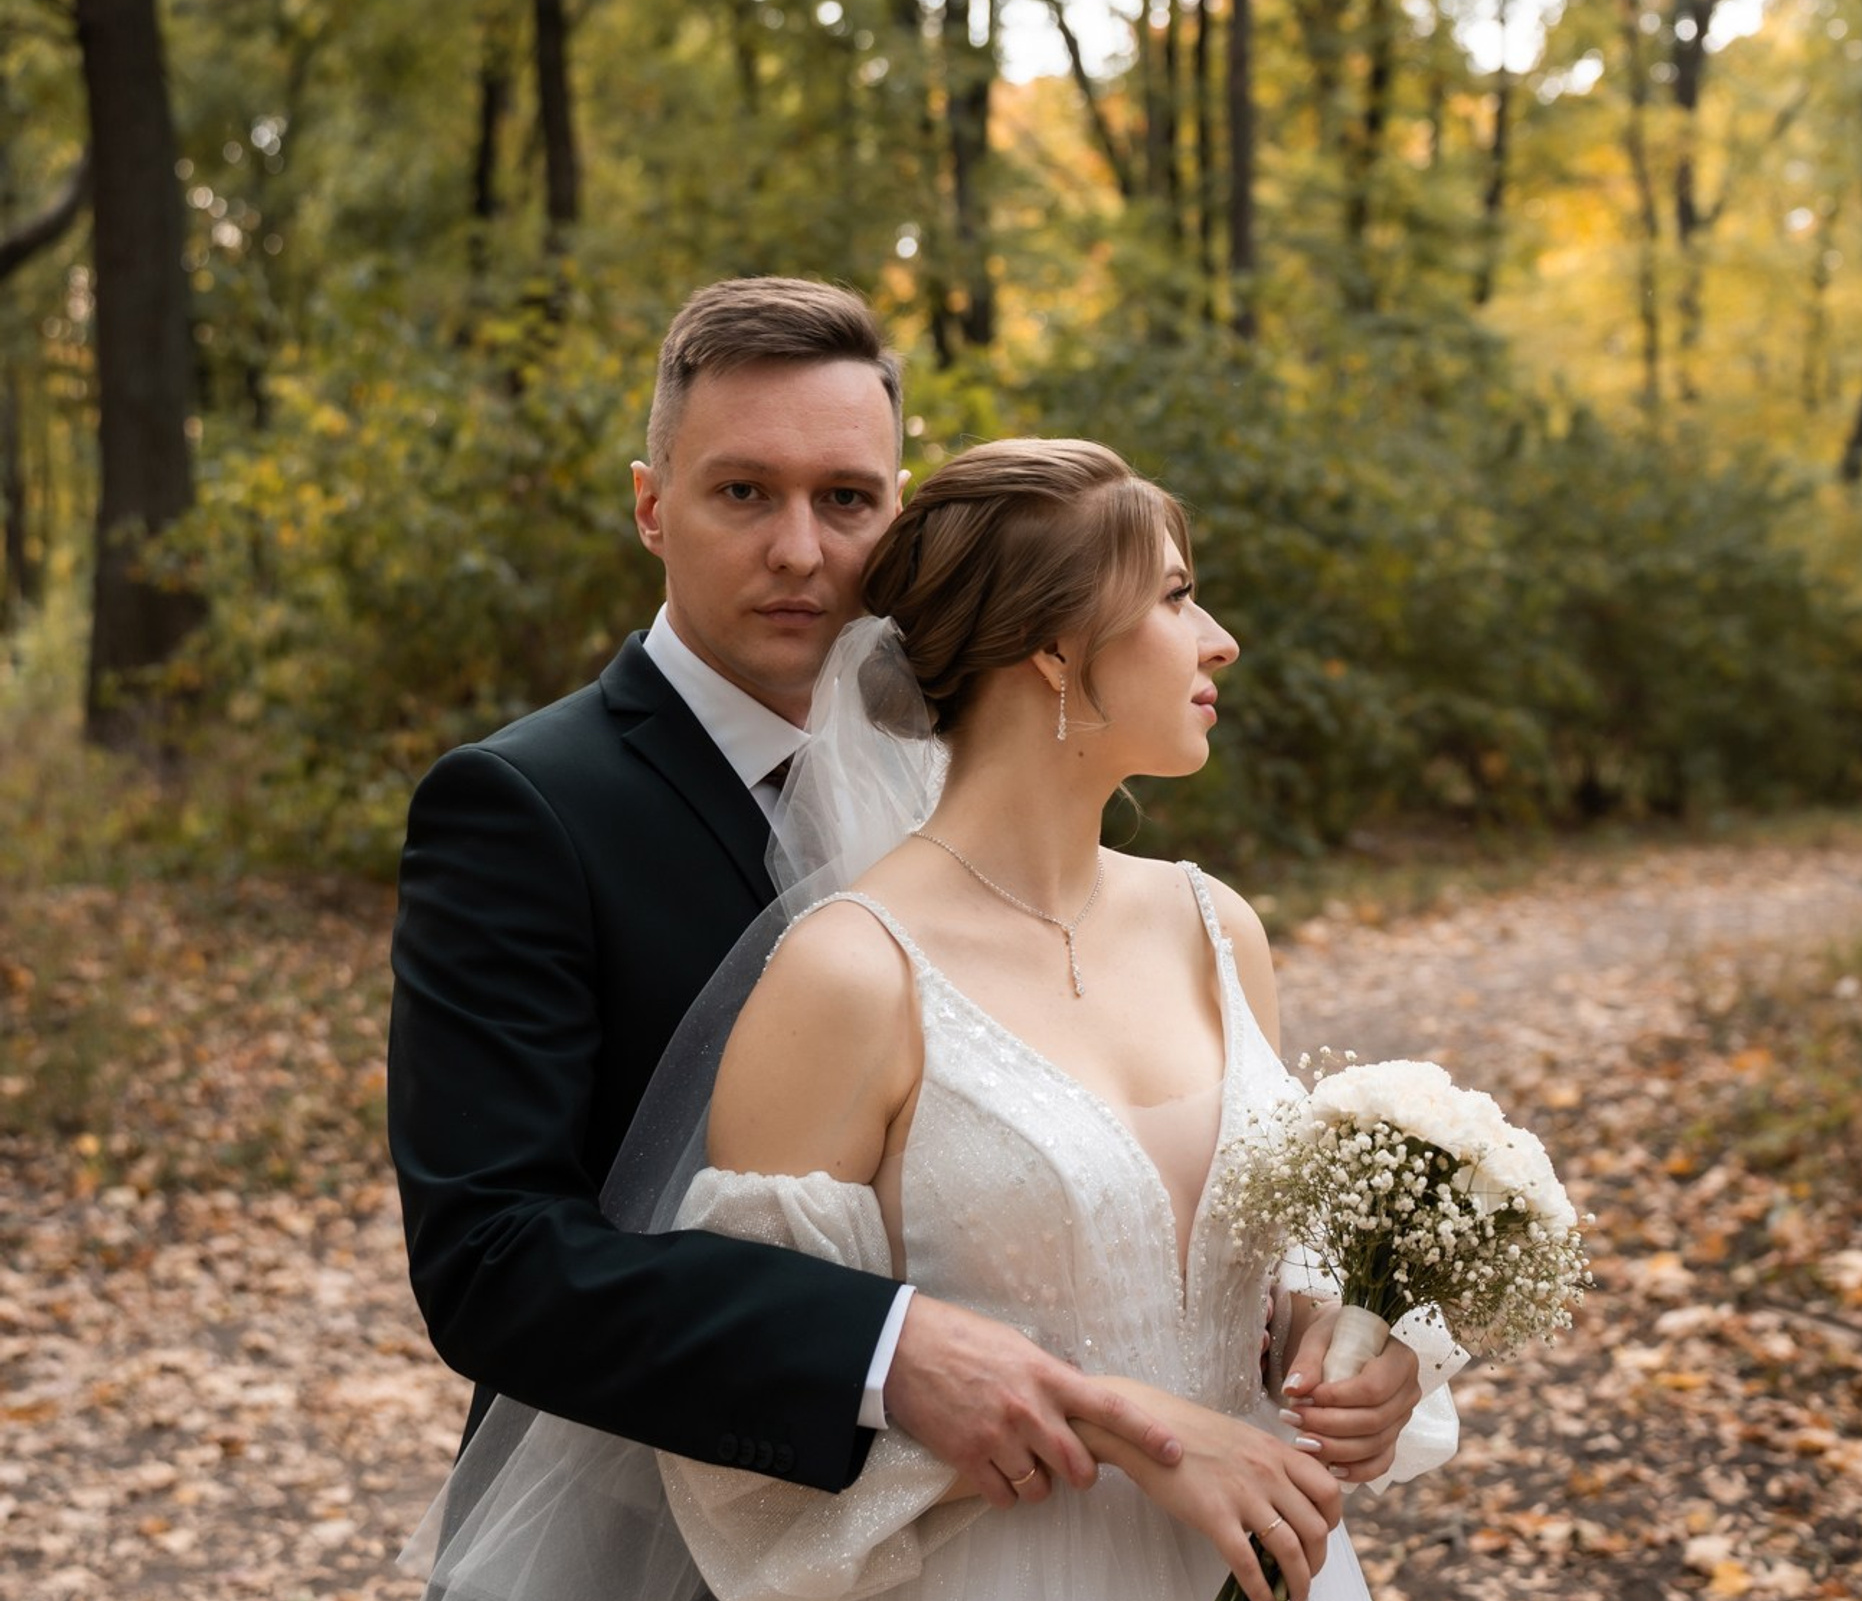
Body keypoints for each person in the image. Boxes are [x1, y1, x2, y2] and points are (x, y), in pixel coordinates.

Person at [411, 438, 1460, 1601]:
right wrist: (1122, 1434)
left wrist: (1342, 1340)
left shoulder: (1217, 928)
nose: (1219, 639)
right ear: (1057, 647)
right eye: (1173, 597)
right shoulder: (849, 975)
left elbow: (1251, 1263)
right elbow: (744, 1457)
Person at [389, 280, 1199, 1516]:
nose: (800, 550)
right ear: (653, 508)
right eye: (742, 492)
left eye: (847, 500)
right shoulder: (520, 806)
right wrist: (883, 1349)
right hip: (657, 1526)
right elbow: (492, 1260)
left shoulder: (979, 773)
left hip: (1019, 1518)